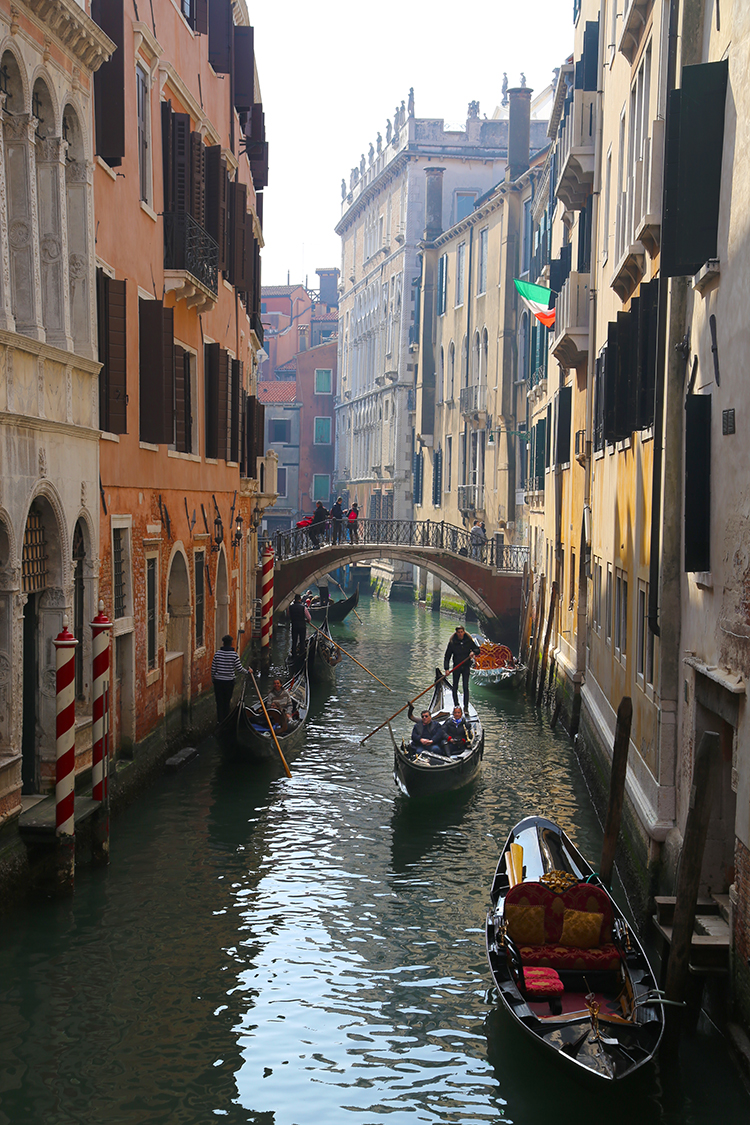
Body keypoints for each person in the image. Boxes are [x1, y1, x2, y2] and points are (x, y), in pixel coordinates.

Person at [443, 624, 481, 710]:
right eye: (458, 632)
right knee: (455, 687)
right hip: (456, 667)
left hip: (466, 666)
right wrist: (446, 669)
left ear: (464, 632)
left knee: (465, 687)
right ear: (456, 633)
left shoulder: (468, 640)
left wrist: (473, 652)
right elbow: (447, 656)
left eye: (461, 632)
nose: (460, 634)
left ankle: (466, 707)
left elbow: (478, 650)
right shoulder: (452, 642)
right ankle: (456, 705)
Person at [211, 634, 245, 722]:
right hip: (229, 682)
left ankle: (220, 721)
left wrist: (213, 679)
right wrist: (248, 672)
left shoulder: (217, 654)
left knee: (219, 702)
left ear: (223, 643)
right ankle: (226, 720)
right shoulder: (234, 655)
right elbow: (239, 669)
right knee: (226, 702)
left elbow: (213, 669)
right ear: (231, 643)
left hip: (218, 681)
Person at [289, 592, 312, 657]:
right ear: (300, 600)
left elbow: (288, 615)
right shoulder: (303, 607)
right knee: (302, 641)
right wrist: (307, 621)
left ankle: (294, 654)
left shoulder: (290, 607)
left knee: (294, 640)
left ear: (294, 599)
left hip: (294, 625)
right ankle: (302, 654)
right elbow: (309, 618)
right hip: (302, 626)